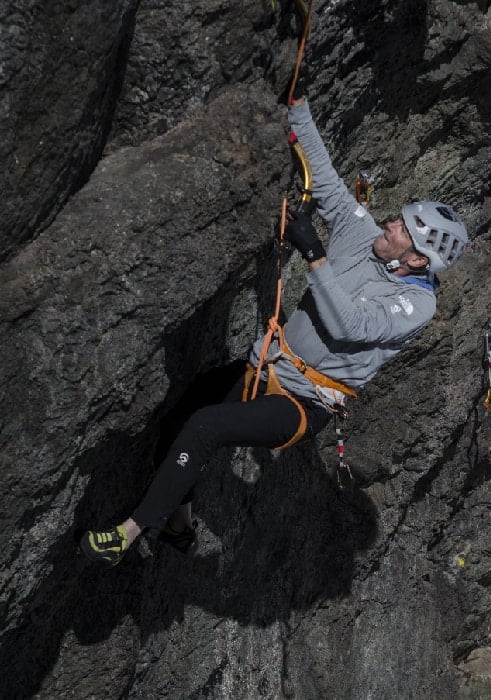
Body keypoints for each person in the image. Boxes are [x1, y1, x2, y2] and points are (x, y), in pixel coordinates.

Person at [80, 95, 468, 566]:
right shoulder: (364, 236)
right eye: (396, 218)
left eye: (402, 229)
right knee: (183, 416)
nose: (388, 223)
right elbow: (324, 179)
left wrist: (313, 255)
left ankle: (127, 534)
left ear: (418, 260)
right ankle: (178, 526)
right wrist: (298, 105)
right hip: (267, 364)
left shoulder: (417, 305)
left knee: (206, 425)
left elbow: (351, 325)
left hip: (303, 402)